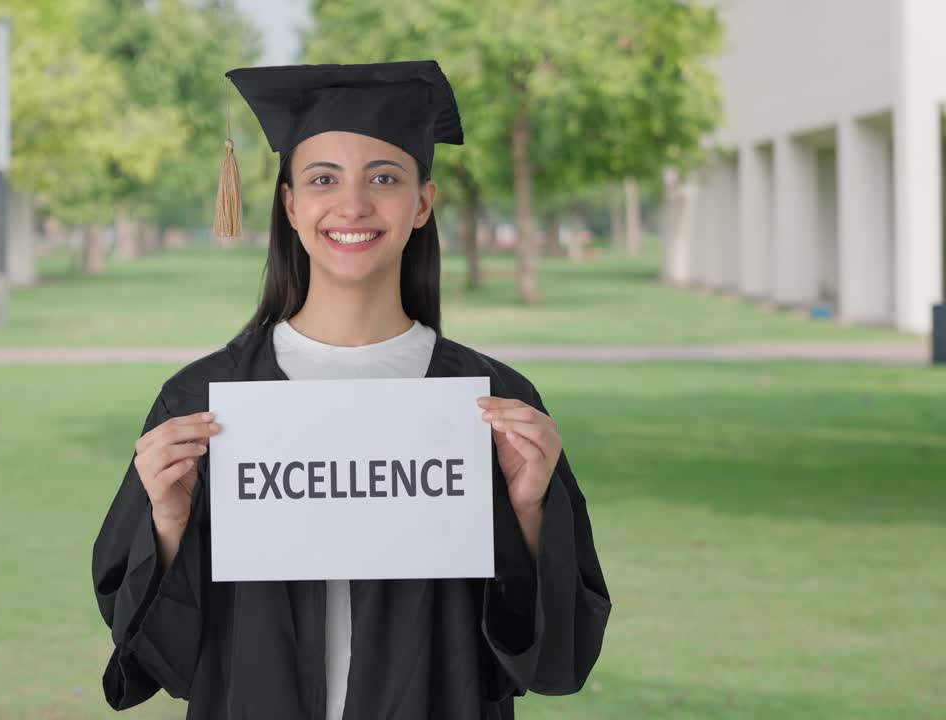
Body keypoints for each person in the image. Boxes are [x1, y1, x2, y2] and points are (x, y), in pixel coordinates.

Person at [91, 60, 611, 720]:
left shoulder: (488, 403)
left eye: (385, 178)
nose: (353, 205)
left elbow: (555, 659)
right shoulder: (207, 400)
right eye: (323, 179)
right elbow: (162, 659)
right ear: (291, 206)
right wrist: (167, 524)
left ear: (422, 203)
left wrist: (531, 511)